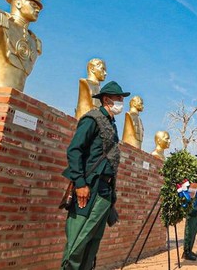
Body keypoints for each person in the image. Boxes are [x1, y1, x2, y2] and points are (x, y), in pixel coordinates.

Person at [61, 81, 130, 270]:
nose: (121, 103)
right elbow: (74, 150)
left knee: (92, 244)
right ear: (106, 99)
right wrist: (80, 183)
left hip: (104, 191)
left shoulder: (111, 123)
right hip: (88, 188)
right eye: (118, 99)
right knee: (77, 243)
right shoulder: (92, 119)